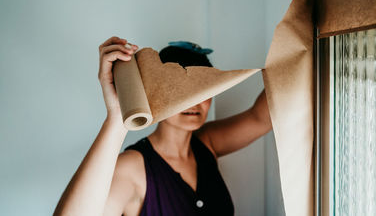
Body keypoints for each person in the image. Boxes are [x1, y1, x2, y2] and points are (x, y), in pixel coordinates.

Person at [54, 37, 272, 216]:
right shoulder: (133, 168)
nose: (195, 103)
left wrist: (298, 46)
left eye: (203, 91)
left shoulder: (207, 143)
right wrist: (117, 120)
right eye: (181, 93)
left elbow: (261, 118)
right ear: (155, 93)